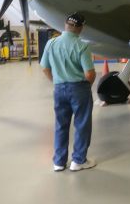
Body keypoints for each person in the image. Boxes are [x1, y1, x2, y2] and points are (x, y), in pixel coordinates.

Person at [41, 13, 97, 172]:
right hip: (79, 89)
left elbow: (44, 67)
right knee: (82, 124)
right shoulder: (82, 45)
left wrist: (56, 81)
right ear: (80, 27)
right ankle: (78, 161)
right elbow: (90, 74)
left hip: (59, 89)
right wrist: (87, 86)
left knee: (61, 125)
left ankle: (58, 162)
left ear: (65, 25)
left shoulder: (51, 43)